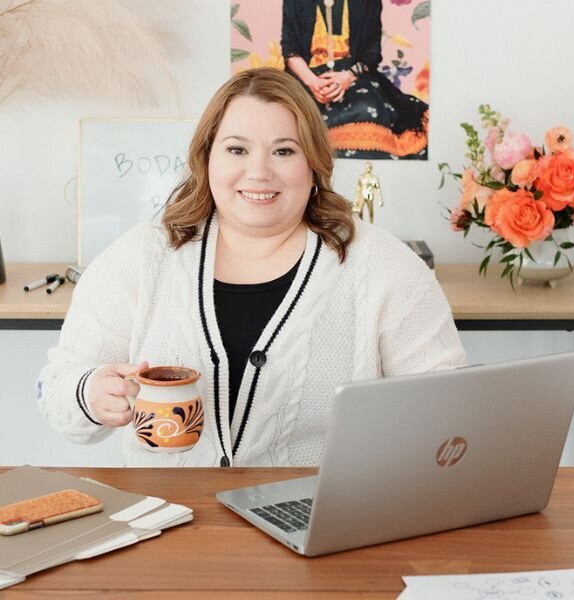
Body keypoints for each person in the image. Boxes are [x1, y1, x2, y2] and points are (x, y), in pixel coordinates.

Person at [38, 67, 464, 468]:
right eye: (237, 149)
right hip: (166, 521)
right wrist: (91, 393)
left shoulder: (388, 270)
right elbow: (59, 393)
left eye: (283, 151)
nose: (259, 172)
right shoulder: (141, 257)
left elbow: (451, 418)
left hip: (325, 525)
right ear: (207, 160)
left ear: (313, 164)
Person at [281, 0, 428, 159]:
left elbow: (372, 54)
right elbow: (290, 50)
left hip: (352, 76)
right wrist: (314, 83)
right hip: (306, 77)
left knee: (367, 109)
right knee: (290, 117)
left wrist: (347, 77)